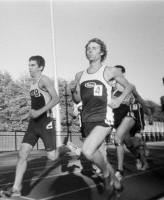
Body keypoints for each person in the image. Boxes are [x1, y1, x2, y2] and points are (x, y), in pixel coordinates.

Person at [70, 38, 133, 193]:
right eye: (88, 48)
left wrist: (118, 99)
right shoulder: (79, 75)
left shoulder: (110, 71)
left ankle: (105, 173)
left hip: (104, 118)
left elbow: (129, 86)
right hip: (86, 120)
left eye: (94, 48)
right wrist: (73, 91)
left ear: (102, 52)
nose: (90, 51)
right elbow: (78, 99)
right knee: (98, 155)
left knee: (87, 150)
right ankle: (116, 183)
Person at [0, 55, 61, 198]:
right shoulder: (32, 83)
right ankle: (16, 188)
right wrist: (28, 114)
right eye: (29, 65)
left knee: (52, 157)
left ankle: (68, 147)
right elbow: (36, 105)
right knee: (22, 154)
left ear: (40, 67)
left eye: (32, 65)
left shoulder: (44, 79)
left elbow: (56, 99)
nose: (29, 68)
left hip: (45, 122)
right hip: (33, 124)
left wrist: (39, 112)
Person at [112, 65, 151, 181]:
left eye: (118, 71)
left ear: (123, 74)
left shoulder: (130, 87)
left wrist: (149, 111)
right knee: (130, 145)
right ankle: (141, 157)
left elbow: (139, 99)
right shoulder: (111, 87)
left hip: (129, 117)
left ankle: (120, 171)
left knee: (117, 138)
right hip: (117, 119)